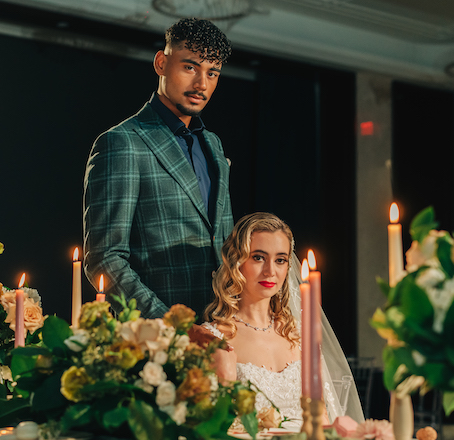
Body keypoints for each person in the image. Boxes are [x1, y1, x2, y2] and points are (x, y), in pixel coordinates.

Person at [83, 18, 234, 319]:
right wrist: (170, 327)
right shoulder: (122, 142)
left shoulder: (213, 145)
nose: (201, 84)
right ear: (161, 63)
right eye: (190, 67)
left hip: (224, 329)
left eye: (212, 72)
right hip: (156, 342)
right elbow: (105, 257)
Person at [202, 212, 364, 430]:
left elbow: (321, 420)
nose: (270, 271)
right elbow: (211, 427)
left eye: (280, 260)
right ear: (236, 261)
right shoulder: (213, 338)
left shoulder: (300, 334)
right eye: (258, 257)